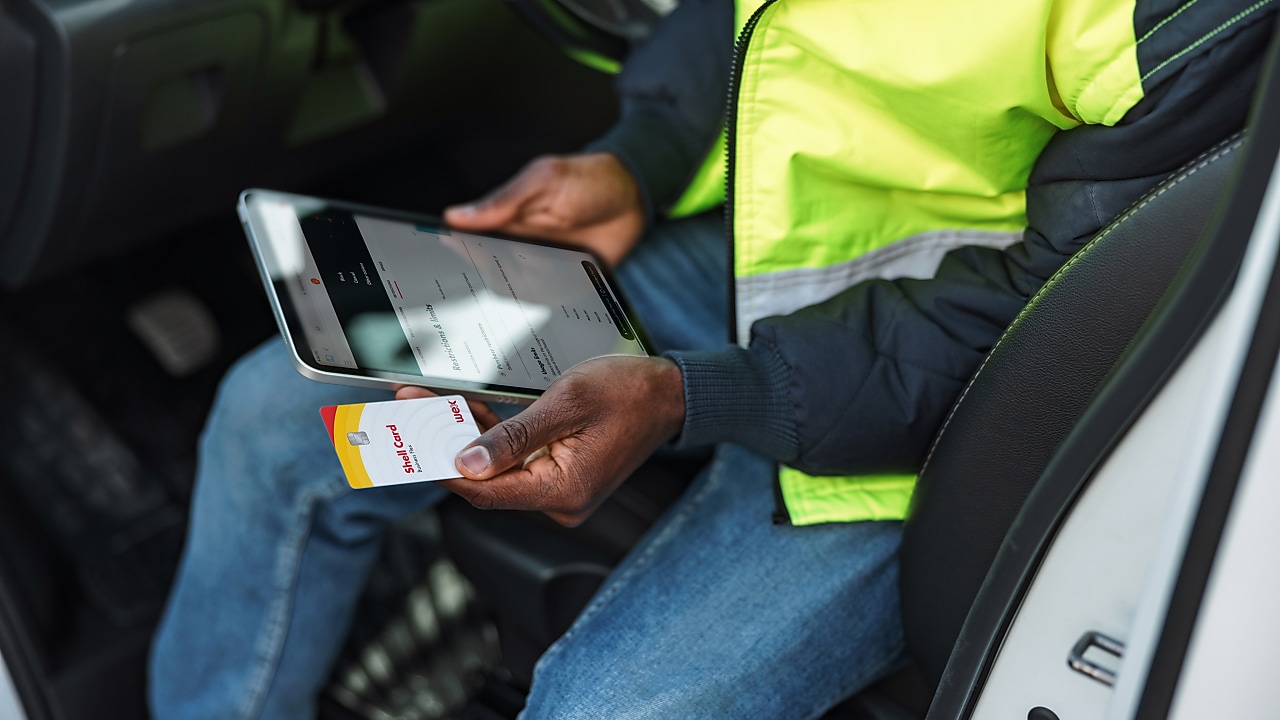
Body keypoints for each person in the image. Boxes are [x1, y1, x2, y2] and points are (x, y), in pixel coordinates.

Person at [149, 0, 1278, 717]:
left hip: (963, 391)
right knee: (272, 414)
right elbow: (750, 16)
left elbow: (1070, 312)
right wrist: (639, 160)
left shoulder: (1181, 19)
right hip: (755, 257)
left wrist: (695, 397)